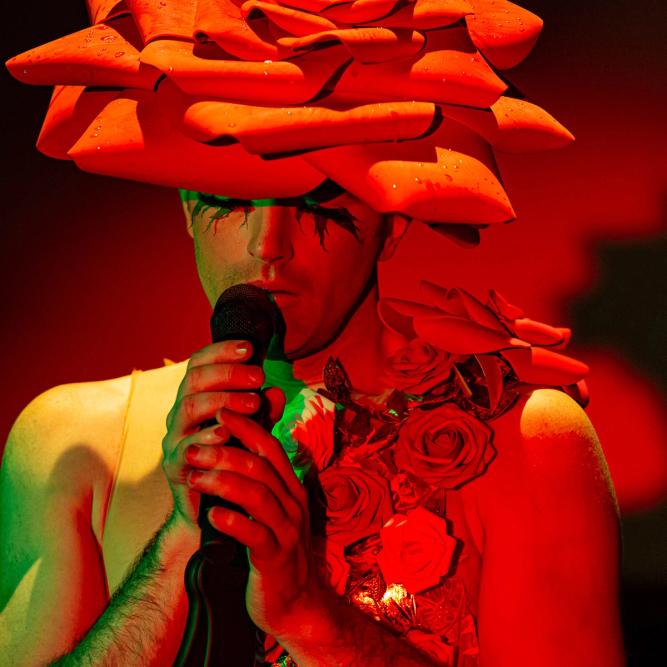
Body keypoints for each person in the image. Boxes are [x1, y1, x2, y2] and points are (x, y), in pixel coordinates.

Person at [1, 1, 625, 665]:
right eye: (230, 201)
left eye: (315, 206)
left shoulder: (526, 443)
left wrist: (309, 613)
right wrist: (176, 545)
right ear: (186, 209)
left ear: (392, 220)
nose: (268, 247)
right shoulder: (73, 444)